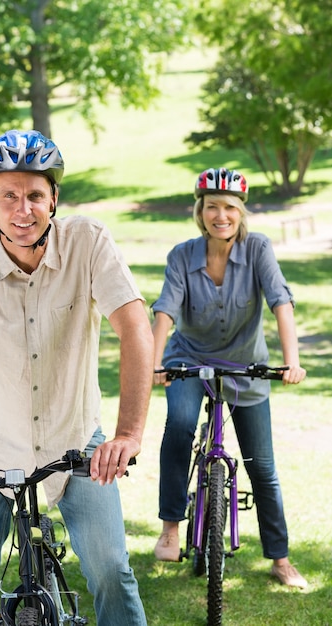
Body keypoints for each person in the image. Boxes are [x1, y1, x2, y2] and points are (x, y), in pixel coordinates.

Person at [0, 129, 154, 625]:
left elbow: (135, 328)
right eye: (9, 196)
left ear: (54, 199)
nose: (22, 209)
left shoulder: (88, 242)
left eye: (35, 196)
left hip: (75, 440)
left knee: (112, 572)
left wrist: (128, 434)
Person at [151, 167, 307, 588]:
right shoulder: (182, 255)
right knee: (180, 426)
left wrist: (290, 362)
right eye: (213, 207)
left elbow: (281, 302)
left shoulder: (257, 249)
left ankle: (280, 559)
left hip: (246, 366)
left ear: (242, 213)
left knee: (263, 467)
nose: (222, 216)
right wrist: (154, 362)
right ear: (200, 212)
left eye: (230, 208)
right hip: (189, 361)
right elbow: (165, 310)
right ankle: (171, 527)